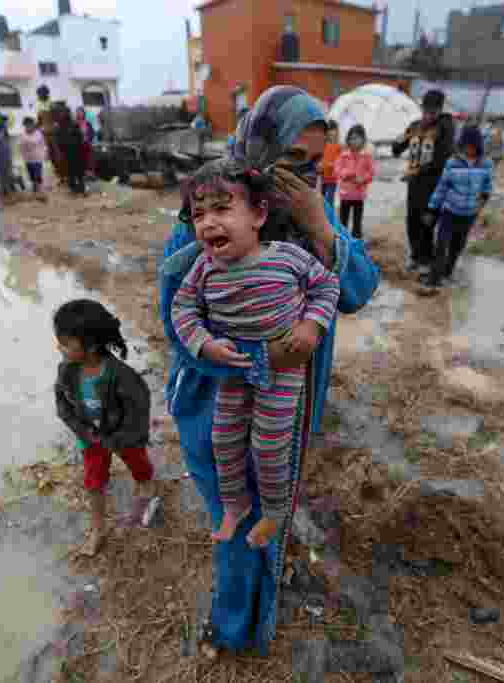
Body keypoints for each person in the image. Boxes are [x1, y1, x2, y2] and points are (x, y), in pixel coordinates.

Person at [159, 85, 379, 659]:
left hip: (289, 401)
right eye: (290, 160)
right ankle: (234, 629)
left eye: (312, 163)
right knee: (235, 513)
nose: (301, 177)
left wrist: (322, 227)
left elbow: (357, 289)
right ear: (256, 147)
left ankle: (265, 597)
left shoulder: (307, 210)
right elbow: (179, 328)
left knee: (274, 500)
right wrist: (259, 359)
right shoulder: (206, 218)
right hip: (217, 401)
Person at [170, 159, 342, 548]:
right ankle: (236, 504)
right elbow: (182, 309)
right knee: (224, 439)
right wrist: (204, 343)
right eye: (199, 215)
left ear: (259, 215)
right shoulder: (203, 268)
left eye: (222, 209)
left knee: (268, 445)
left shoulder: (286, 256)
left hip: (283, 372)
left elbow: (327, 287)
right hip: (235, 372)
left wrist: (311, 326)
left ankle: (276, 511)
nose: (208, 222)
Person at [53, 299, 158, 557]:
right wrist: (84, 433)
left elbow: (138, 415)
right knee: (93, 482)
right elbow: (63, 406)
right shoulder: (66, 371)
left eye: (66, 343)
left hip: (121, 435)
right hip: (90, 436)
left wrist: (122, 439)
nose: (59, 347)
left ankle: (145, 484)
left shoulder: (122, 377)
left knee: (138, 462)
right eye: (59, 340)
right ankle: (99, 529)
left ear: (90, 345)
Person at [392, 90, 455, 274]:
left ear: (439, 110)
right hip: (414, 183)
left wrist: (418, 171)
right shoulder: (416, 125)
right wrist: (403, 138)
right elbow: (397, 147)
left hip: (434, 183)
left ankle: (427, 259)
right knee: (411, 219)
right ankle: (415, 256)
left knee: (427, 220)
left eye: (432, 112)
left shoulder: (445, 127)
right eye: (425, 111)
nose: (428, 115)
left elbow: (442, 158)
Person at [423, 125, 494, 290]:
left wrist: (481, 204)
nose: (469, 149)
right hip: (449, 211)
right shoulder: (452, 162)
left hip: (469, 214)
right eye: (465, 145)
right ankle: (434, 277)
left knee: (457, 245)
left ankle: (448, 272)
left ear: (478, 145)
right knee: (441, 243)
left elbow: (487, 187)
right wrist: (431, 209)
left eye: (472, 145)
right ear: (461, 144)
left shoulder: (486, 164)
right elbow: (442, 187)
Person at [335, 124, 376, 239]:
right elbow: (337, 170)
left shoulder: (366, 156)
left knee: (357, 222)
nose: (354, 142)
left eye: (357, 138)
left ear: (363, 140)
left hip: (359, 195)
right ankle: (342, 239)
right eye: (352, 138)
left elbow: (371, 172)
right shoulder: (343, 156)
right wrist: (346, 174)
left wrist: (362, 179)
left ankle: (356, 240)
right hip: (345, 195)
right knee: (343, 220)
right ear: (348, 140)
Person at [56, 106, 86, 195]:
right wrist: (61, 150)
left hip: (76, 151)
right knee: (70, 172)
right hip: (67, 152)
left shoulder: (74, 124)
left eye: (66, 113)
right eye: (63, 113)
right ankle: (73, 189)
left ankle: (81, 188)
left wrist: (79, 147)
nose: (64, 114)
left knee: (78, 171)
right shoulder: (60, 126)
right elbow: (58, 140)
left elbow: (80, 137)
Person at [19, 117, 48, 200]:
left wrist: (45, 153)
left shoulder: (38, 133)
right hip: (28, 159)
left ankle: (41, 193)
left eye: (30, 125)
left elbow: (43, 144)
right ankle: (35, 190)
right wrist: (23, 156)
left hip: (38, 158)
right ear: (24, 126)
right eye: (27, 125)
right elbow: (21, 147)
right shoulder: (23, 135)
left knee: (37, 175)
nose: (29, 127)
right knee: (32, 176)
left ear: (33, 125)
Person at [320, 120, 342, 205]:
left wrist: (333, 164)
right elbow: (319, 158)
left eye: (333, 130)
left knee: (329, 199)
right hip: (323, 177)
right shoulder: (322, 145)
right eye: (329, 130)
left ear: (336, 132)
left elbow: (340, 162)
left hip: (332, 178)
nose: (331, 133)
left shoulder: (339, 147)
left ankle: (329, 215)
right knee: (321, 198)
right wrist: (320, 164)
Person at [75, 107, 97, 180]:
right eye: (78, 112)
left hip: (87, 143)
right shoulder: (75, 124)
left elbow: (92, 133)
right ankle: (82, 173)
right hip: (78, 144)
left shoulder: (87, 123)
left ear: (83, 113)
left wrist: (88, 138)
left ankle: (90, 173)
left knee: (91, 153)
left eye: (81, 112)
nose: (80, 114)